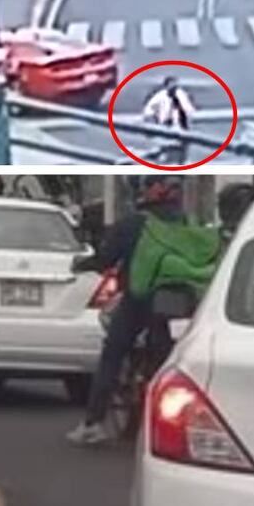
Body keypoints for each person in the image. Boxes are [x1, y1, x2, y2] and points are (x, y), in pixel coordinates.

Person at [66, 176, 188, 446]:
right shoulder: (189, 224)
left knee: (113, 352)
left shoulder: (135, 223)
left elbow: (106, 258)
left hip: (139, 297)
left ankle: (93, 423)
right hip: (179, 304)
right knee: (176, 360)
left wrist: (84, 265)